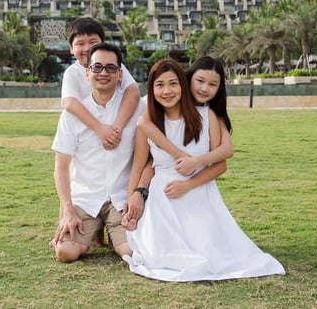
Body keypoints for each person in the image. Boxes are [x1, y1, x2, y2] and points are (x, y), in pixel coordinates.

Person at [122, 58, 285, 282]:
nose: (167, 91)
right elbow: (140, 165)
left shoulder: (207, 116)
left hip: (199, 194)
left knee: (211, 253)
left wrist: (187, 183)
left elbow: (221, 162)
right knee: (158, 255)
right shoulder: (149, 119)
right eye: (160, 85)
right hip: (162, 198)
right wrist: (132, 198)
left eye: (173, 84)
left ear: (182, 84)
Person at [50, 43, 143, 263]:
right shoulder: (73, 115)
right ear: (87, 72)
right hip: (86, 198)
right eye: (97, 67)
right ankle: (95, 231)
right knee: (65, 253)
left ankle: (115, 234)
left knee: (131, 253)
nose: (103, 73)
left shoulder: (136, 109)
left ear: (120, 74)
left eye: (111, 68)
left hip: (121, 198)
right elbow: (61, 168)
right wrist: (68, 211)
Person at [61, 17, 141, 151]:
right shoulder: (72, 72)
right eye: (80, 43)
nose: (87, 48)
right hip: (87, 132)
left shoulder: (115, 66)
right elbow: (69, 103)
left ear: (102, 44)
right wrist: (100, 129)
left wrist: (116, 130)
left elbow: (133, 92)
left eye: (93, 42)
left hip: (116, 128)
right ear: (71, 48)